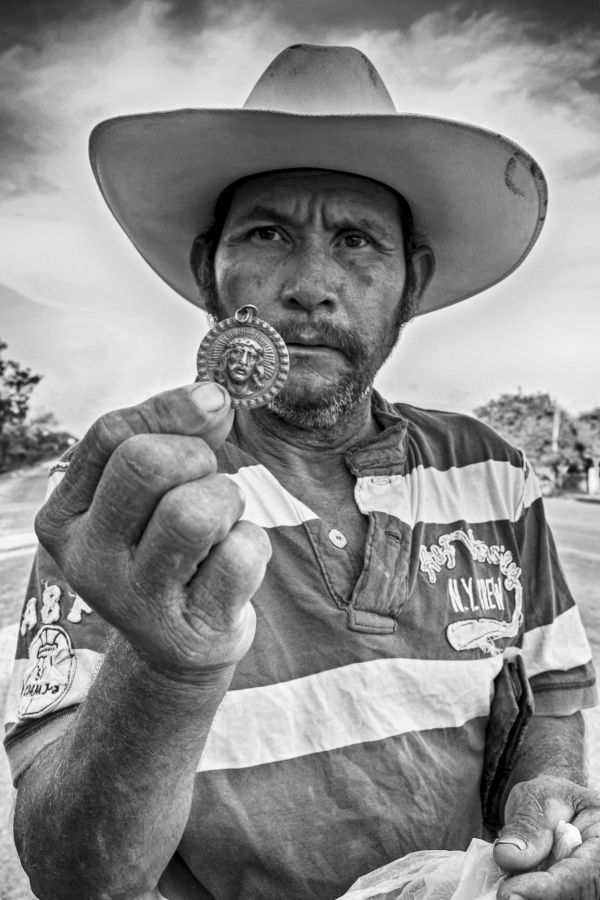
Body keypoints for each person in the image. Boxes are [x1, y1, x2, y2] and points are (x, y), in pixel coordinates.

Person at [4, 44, 599, 900]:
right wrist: (170, 667)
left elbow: (552, 702)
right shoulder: (125, 494)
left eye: (356, 240)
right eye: (268, 232)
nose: (312, 284)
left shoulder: (492, 472)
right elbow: (74, 874)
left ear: (412, 282)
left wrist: (547, 803)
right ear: (211, 270)